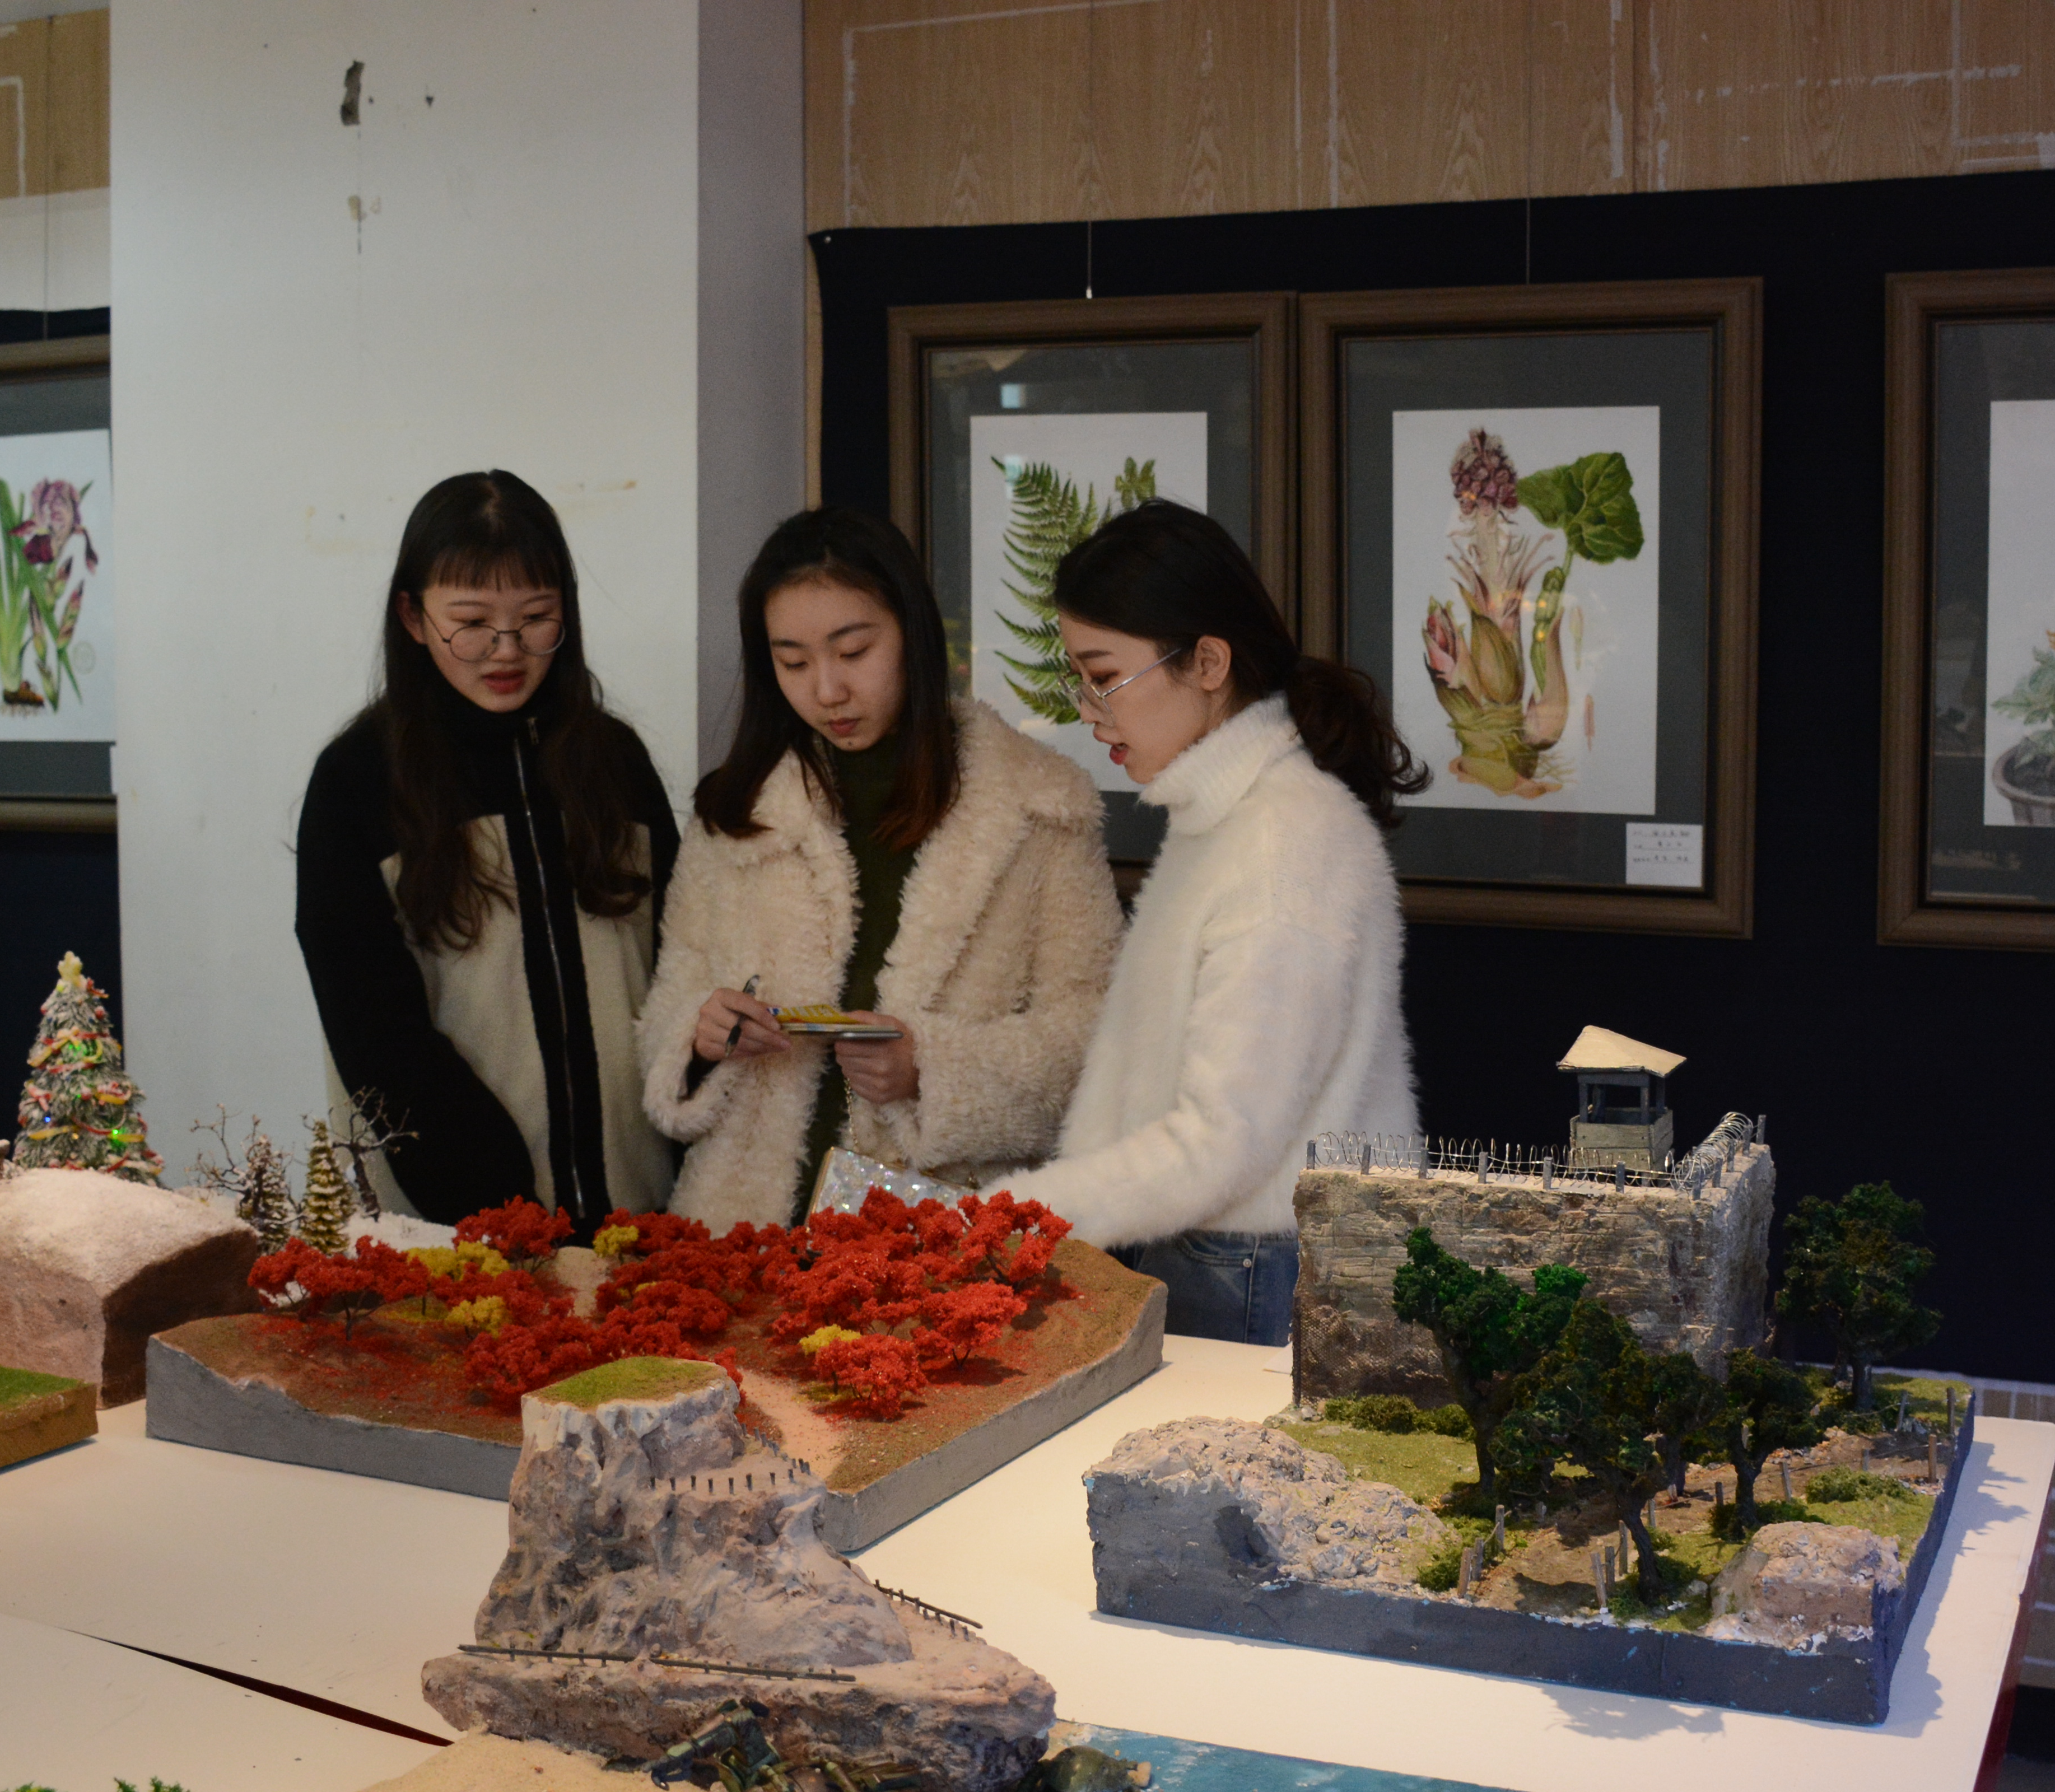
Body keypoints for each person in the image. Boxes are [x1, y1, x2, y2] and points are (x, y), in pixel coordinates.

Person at [1004, 501, 1425, 1345]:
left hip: (1250, 1267)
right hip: (1222, 1252)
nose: (1090, 710)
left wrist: (1015, 1214)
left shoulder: (1281, 838)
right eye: (1078, 679)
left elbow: (1224, 1138)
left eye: (1104, 676)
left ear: (1207, 661)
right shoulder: (1230, 818)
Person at [639, 507, 1121, 1230]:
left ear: (912, 634)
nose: (827, 690)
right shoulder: (739, 808)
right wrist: (701, 1037)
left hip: (937, 1239)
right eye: (793, 662)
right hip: (743, 1228)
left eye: (854, 651)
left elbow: (1094, 1037)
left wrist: (931, 1069)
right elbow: (669, 1004)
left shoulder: (1038, 805)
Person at [295, 470, 678, 1226]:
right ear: (413, 616)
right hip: (453, 1228)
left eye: (537, 618)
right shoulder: (358, 782)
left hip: (639, 1211)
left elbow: (678, 965)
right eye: (470, 623)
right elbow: (374, 1031)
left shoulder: (614, 764)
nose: (507, 651)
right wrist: (495, 1202)